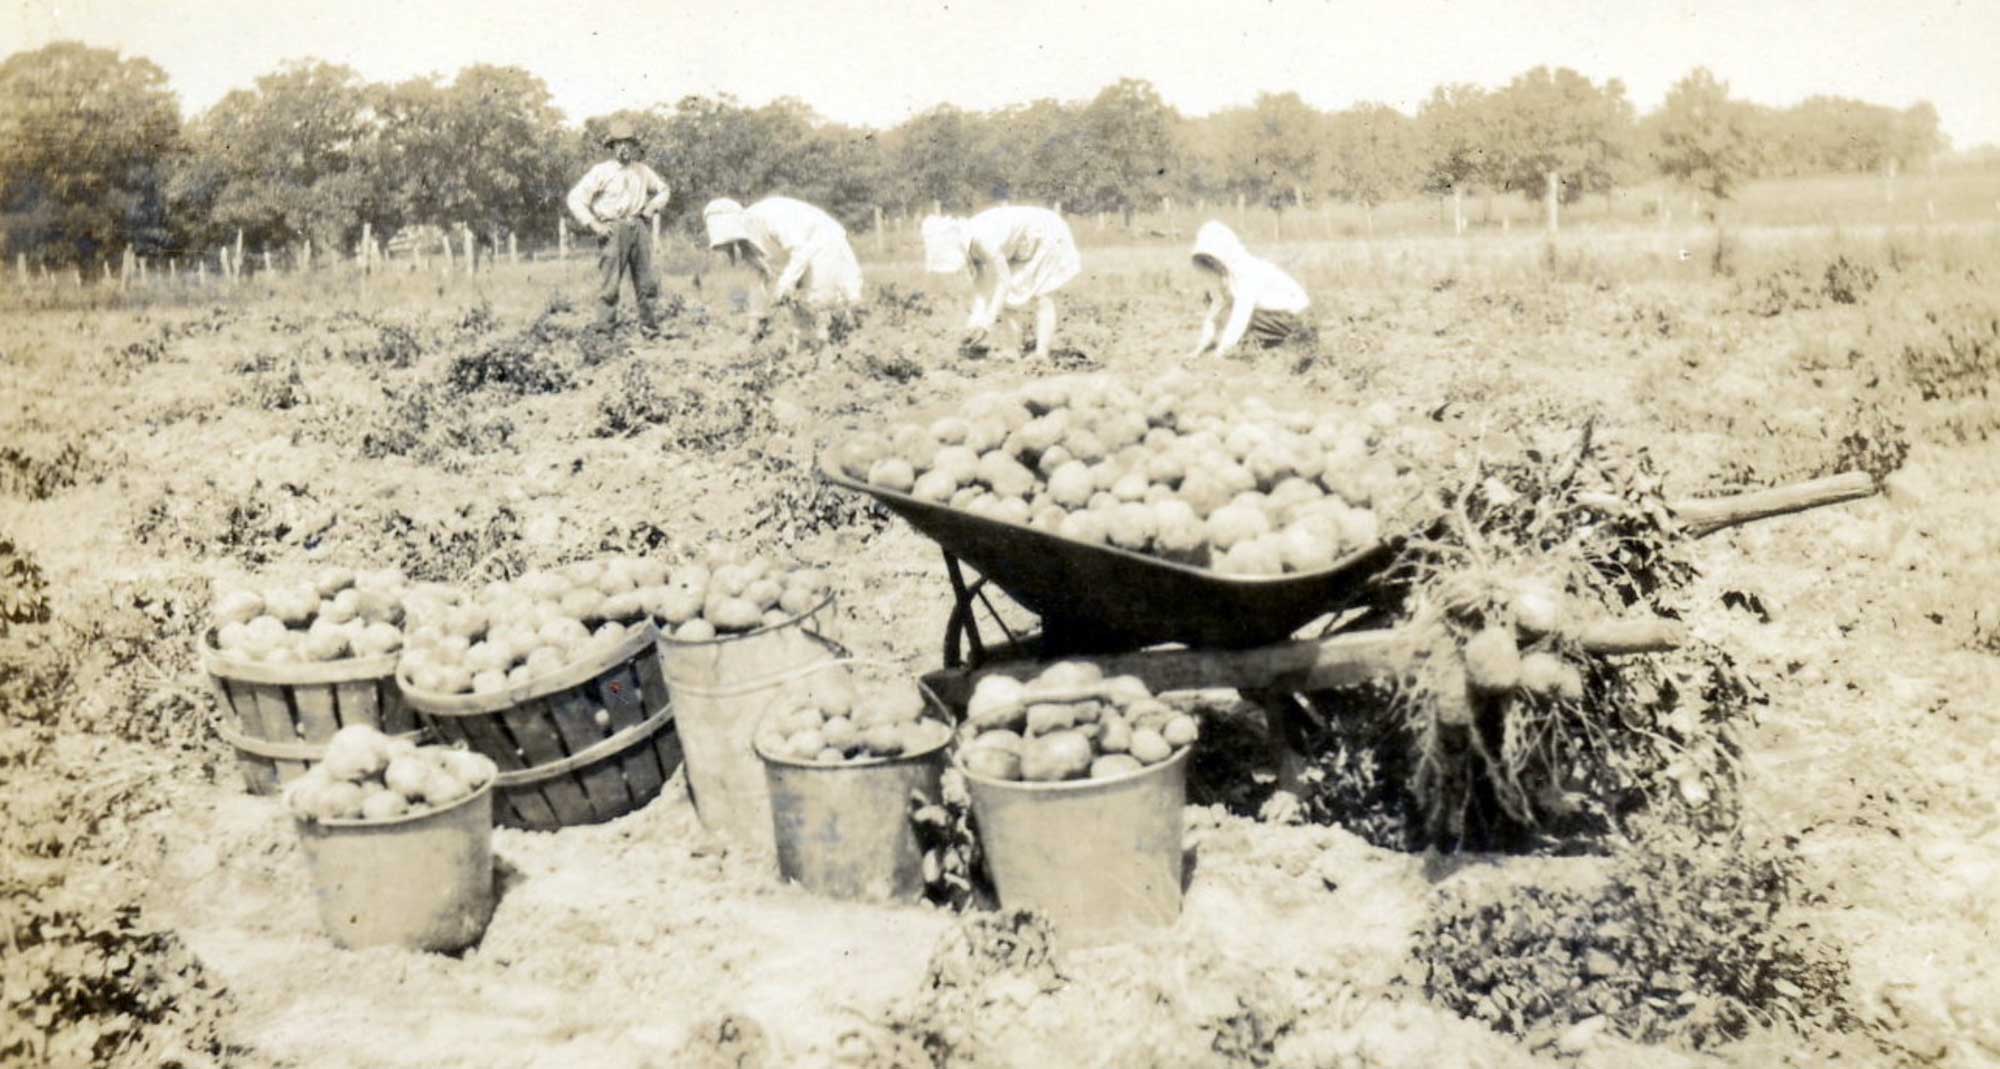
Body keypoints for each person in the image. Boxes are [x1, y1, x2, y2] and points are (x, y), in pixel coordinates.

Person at [921, 205, 1081, 359]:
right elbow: (981, 283)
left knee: (1042, 295)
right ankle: (1011, 350)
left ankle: (1041, 354)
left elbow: (1003, 280)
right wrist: (976, 320)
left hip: (1046, 233)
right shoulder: (968, 245)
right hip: (1021, 245)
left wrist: (988, 322)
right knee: (1008, 299)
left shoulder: (981, 239)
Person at [701, 196, 863, 340]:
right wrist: (756, 321)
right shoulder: (747, 245)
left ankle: (840, 349)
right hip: (803, 255)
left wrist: (785, 284)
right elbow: (757, 280)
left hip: (824, 244)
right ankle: (810, 356)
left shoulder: (770, 215)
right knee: (799, 313)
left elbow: (801, 250)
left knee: (819, 303)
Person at [566, 120, 672, 333]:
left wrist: (651, 208)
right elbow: (575, 198)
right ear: (612, 147)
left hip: (638, 226)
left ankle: (650, 329)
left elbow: (664, 190)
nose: (624, 148)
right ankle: (605, 332)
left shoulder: (642, 170)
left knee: (647, 282)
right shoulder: (601, 171)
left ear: (634, 147)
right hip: (612, 229)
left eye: (628, 143)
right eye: (618, 143)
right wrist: (594, 224)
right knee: (610, 284)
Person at [1186, 220, 1311, 358]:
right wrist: (1200, 347)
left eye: (1212, 259)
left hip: (1295, 318)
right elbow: (1216, 311)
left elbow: (1241, 314)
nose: (1211, 264)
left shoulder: (1249, 271)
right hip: (1268, 316)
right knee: (1225, 314)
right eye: (1207, 261)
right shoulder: (1227, 277)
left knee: (1237, 320)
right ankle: (1257, 342)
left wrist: (1220, 352)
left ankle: (1289, 341)